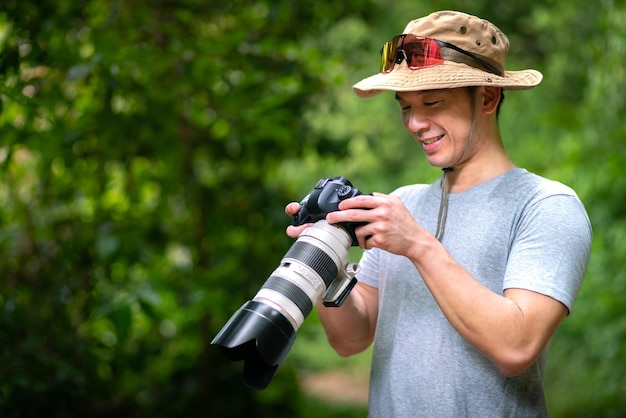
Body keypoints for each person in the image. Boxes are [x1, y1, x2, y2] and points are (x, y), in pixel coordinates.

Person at [285, 10, 592, 417]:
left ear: (487, 96)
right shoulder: (403, 203)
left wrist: (418, 245)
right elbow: (351, 340)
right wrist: (323, 259)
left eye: (432, 102)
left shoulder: (545, 205)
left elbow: (516, 347)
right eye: (406, 106)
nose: (415, 123)